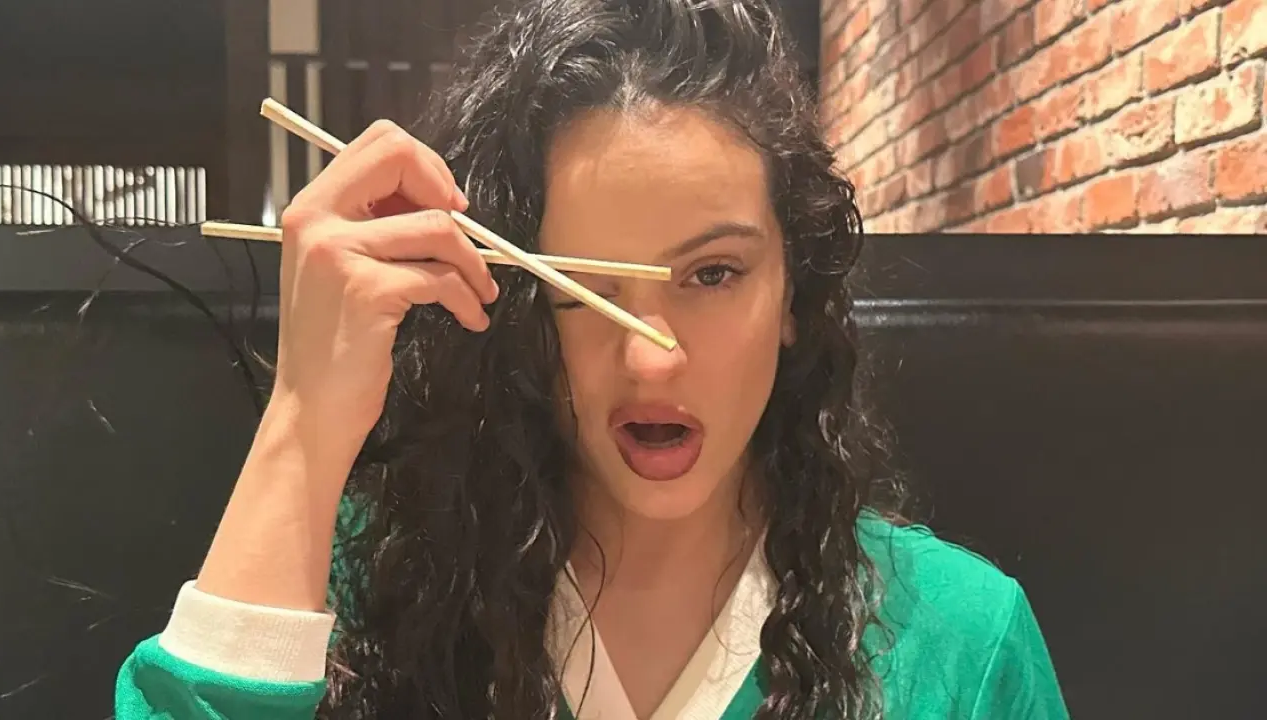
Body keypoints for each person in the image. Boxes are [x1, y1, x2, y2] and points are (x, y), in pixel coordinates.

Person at [114, 0, 1069, 718]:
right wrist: (303, 417)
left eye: (714, 274)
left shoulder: (956, 643)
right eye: (579, 285)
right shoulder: (370, 589)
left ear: (794, 296)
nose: (651, 361)